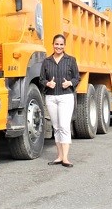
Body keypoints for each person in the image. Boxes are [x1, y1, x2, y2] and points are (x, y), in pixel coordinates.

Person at [40, 34, 80, 168]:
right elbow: (41, 79)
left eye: (61, 44)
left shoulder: (71, 60)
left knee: (64, 126)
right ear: (53, 45)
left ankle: (66, 158)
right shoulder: (46, 61)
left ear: (65, 46)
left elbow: (77, 78)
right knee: (56, 127)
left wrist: (69, 83)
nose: (59, 47)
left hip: (66, 97)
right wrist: (47, 83)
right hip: (51, 97)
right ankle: (59, 156)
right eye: (56, 44)